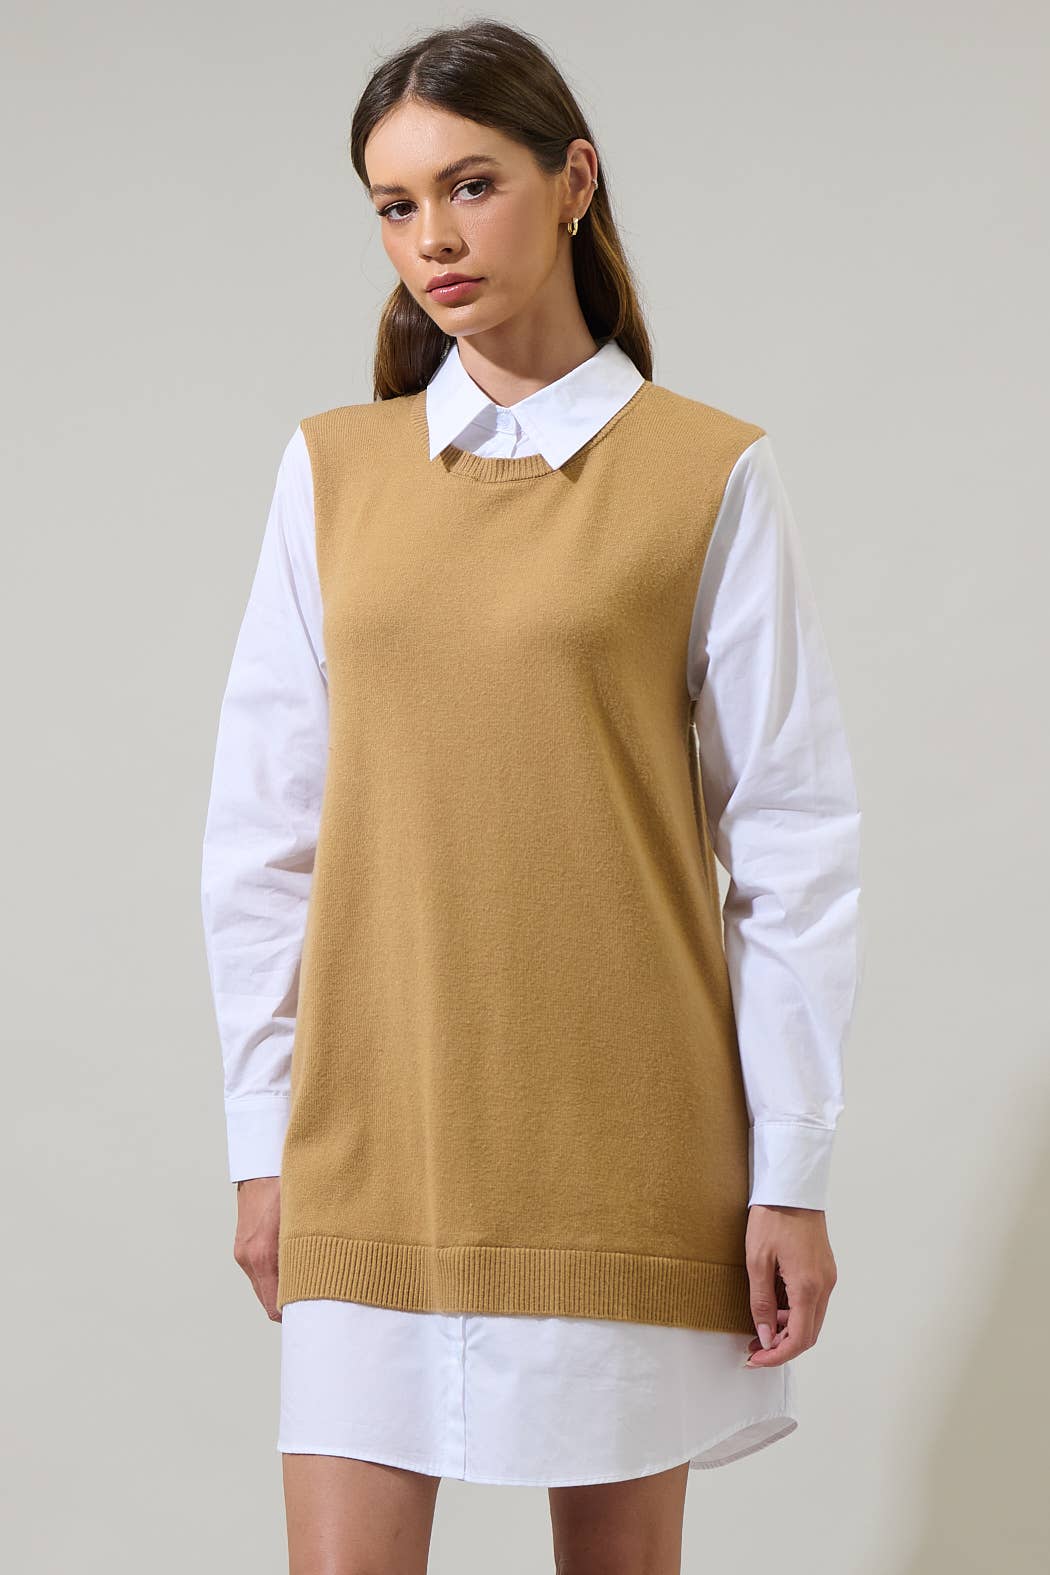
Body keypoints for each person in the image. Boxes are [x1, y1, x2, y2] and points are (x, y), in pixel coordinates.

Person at [200, 18, 862, 1575]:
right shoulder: (331, 474)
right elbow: (263, 837)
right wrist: (261, 1140)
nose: (430, 237)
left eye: (469, 185)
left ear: (573, 182)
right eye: (394, 204)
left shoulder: (706, 473)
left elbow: (791, 842)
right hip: (373, 1136)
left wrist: (791, 1175)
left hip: (623, 1145)